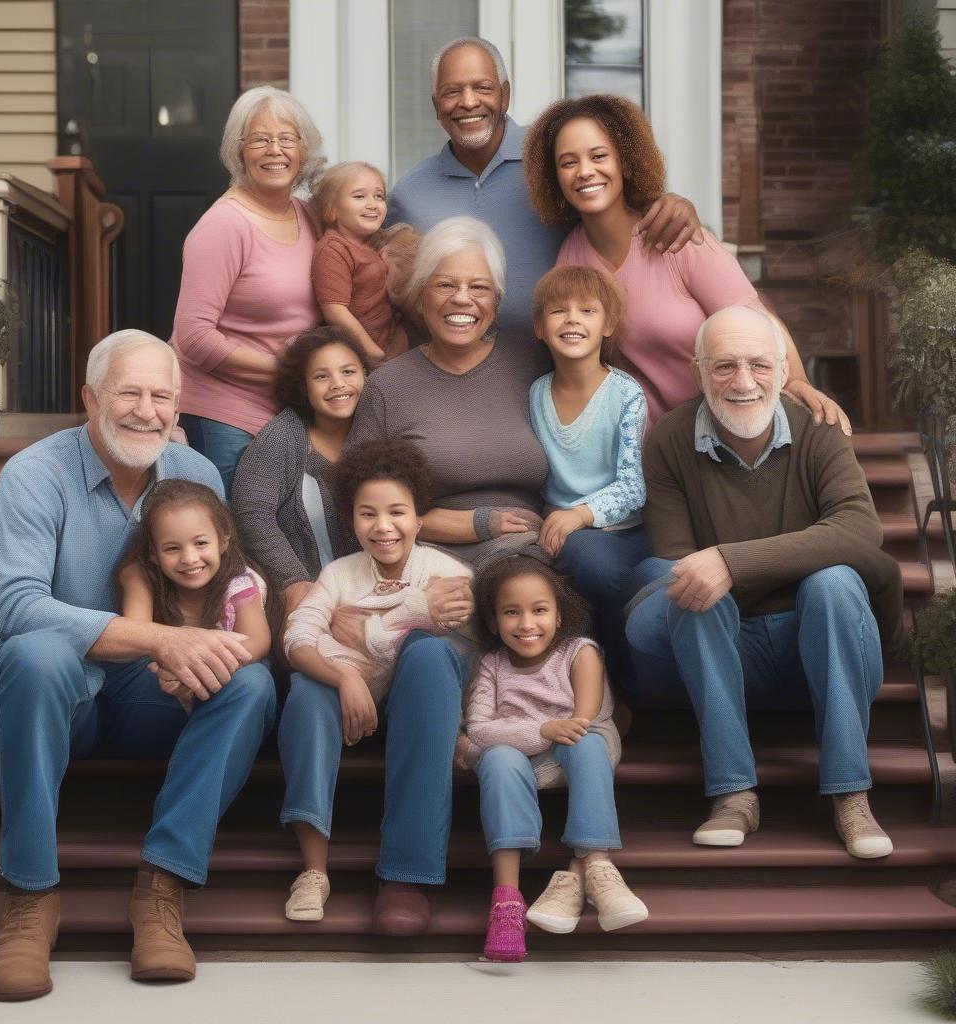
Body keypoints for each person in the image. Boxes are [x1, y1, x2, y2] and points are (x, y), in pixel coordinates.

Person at [0, 330, 277, 1001]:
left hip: (151, 694)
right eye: (129, 392)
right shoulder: (34, 475)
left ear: (178, 406)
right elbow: (18, 608)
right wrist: (158, 641)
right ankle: (30, 899)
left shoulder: (196, 475)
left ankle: (162, 888)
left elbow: (227, 580)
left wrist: (194, 650)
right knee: (32, 653)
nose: (147, 409)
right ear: (90, 398)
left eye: (162, 395)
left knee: (251, 682)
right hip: (57, 694)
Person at [624, 306, 904, 859]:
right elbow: (684, 563)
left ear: (782, 369)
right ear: (698, 370)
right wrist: (722, 570)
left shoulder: (819, 431)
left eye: (758, 365)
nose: (744, 382)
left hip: (832, 647)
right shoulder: (671, 439)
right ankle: (734, 793)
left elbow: (858, 531)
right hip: (731, 653)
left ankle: (851, 793)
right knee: (689, 591)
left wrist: (733, 561)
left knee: (834, 583)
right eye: (725, 366)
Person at [524, 93, 852, 432]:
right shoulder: (570, 259)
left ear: (624, 161)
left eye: (599, 156)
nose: (585, 172)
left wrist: (796, 380)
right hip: (654, 454)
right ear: (555, 178)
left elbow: (757, 319)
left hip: (727, 433)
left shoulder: (678, 237)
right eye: (568, 163)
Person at [387, 36, 703, 345]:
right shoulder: (409, 194)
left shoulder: (553, 158)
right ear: (435, 106)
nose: (468, 102)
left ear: (505, 95)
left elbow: (617, 199)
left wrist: (667, 202)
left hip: (564, 368)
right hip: (459, 379)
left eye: (482, 87)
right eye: (452, 91)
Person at [277, 439, 473, 923]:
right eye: (368, 514)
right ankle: (314, 869)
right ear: (352, 520)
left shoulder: (446, 574)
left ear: (419, 518)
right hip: (350, 705)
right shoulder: (340, 573)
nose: (383, 527)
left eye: (397, 512)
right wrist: (344, 674)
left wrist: (376, 625)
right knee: (306, 688)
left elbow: (462, 656)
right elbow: (297, 636)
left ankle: (407, 873)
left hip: (424, 708)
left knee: (426, 653)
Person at [462, 556, 646, 963]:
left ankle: (595, 864)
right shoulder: (491, 665)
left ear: (559, 616)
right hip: (522, 757)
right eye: (511, 612)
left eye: (539, 610)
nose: (527, 623)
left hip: (583, 748)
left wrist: (543, 732)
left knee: (583, 741)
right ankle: (507, 900)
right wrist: (539, 731)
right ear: (493, 622)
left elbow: (584, 719)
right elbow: (478, 729)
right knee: (496, 759)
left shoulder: (580, 652)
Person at [347, 216, 549, 571]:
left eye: (479, 288)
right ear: (421, 295)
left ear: (497, 300)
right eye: (445, 285)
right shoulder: (387, 386)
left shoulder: (534, 364)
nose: (462, 299)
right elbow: (358, 501)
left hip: (528, 559)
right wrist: (479, 523)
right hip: (426, 561)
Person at [170, 85, 325, 492]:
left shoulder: (308, 216)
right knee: (228, 537)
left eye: (286, 139)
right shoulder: (224, 226)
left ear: (303, 151)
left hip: (285, 411)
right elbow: (193, 337)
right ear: (239, 152)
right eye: (260, 139)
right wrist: (289, 371)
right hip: (222, 412)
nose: (275, 150)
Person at [528, 265, 649, 670]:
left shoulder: (627, 394)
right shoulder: (535, 393)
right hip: (557, 522)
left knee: (591, 562)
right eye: (558, 311)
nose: (573, 319)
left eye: (587, 311)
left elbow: (633, 487)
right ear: (540, 328)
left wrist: (578, 515)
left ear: (608, 324)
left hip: (621, 529)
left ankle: (619, 676)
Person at [232, 327, 367, 633]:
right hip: (305, 602)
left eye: (348, 371)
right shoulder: (282, 437)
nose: (338, 385)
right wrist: (294, 581)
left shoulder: (379, 427)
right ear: (303, 386)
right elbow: (252, 514)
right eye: (321, 376)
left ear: (366, 375)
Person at [118, 479, 271, 713]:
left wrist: (195, 667)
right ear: (153, 553)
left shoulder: (240, 584)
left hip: (226, 684)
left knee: (255, 678)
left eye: (200, 543)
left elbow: (257, 642)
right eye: (172, 548)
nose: (189, 558)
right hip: (162, 688)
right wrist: (175, 667)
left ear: (223, 541)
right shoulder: (141, 576)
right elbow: (137, 634)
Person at [309, 161, 413, 364]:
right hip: (361, 355)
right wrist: (371, 351)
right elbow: (335, 310)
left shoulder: (375, 242)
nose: (373, 204)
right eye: (359, 196)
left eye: (379, 196)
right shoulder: (333, 249)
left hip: (392, 346)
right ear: (332, 208)